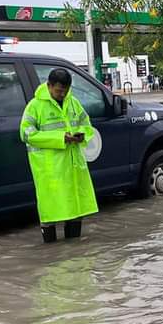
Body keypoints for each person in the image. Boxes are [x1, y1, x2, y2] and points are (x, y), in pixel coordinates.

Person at [20, 68, 98, 243]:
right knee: (50, 212)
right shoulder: (35, 106)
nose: (62, 94)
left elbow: (86, 124)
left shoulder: (73, 103)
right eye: (58, 91)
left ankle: (72, 254)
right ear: (48, 86)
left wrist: (81, 135)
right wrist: (60, 138)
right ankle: (52, 252)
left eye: (65, 90)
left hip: (72, 165)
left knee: (75, 210)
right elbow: (26, 134)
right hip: (49, 168)